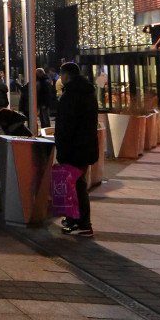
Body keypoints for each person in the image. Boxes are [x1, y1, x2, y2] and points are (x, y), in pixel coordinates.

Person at [54, 62, 99, 236]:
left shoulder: (71, 95)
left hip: (74, 148)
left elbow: (67, 125)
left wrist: (63, 149)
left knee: (75, 186)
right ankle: (74, 220)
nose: (60, 78)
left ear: (66, 75)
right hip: (84, 147)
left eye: (61, 74)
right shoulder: (87, 92)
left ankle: (83, 223)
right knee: (76, 185)